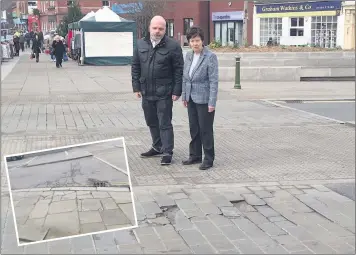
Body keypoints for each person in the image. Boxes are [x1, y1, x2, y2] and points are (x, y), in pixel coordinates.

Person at [131, 15, 184, 165]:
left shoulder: (173, 46)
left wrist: (177, 90)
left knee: (164, 122)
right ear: (149, 28)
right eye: (155, 28)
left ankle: (167, 152)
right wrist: (136, 87)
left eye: (161, 28)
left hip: (165, 92)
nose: (157, 31)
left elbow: (178, 70)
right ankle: (157, 146)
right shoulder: (140, 44)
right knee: (151, 121)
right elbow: (135, 67)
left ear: (165, 29)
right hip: (146, 91)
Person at [181, 26, 219, 170]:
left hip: (204, 99)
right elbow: (185, 78)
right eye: (192, 41)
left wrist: (212, 102)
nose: (195, 43)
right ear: (189, 42)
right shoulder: (188, 55)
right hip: (191, 98)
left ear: (202, 41)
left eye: (197, 40)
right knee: (194, 128)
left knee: (205, 129)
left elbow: (213, 81)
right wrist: (184, 96)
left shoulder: (210, 57)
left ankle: (208, 158)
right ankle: (195, 155)